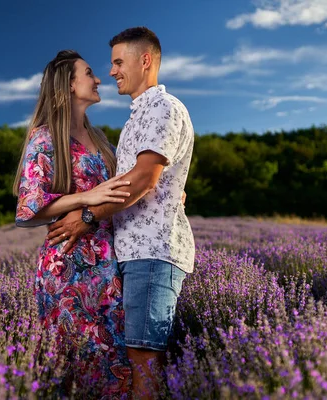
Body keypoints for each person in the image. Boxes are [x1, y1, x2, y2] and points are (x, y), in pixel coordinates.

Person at [47, 27, 196, 399]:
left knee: (143, 359)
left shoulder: (162, 108)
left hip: (152, 253)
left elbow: (144, 178)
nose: (110, 71)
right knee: (133, 360)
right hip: (132, 255)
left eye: (118, 62)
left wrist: (86, 217)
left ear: (144, 60)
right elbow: (146, 181)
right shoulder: (135, 119)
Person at [13, 50, 132, 398]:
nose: (98, 79)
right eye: (90, 73)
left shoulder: (101, 139)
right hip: (67, 270)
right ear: (67, 85)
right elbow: (28, 209)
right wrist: (86, 198)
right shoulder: (45, 137)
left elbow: (123, 192)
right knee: (71, 366)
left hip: (109, 267)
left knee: (114, 362)